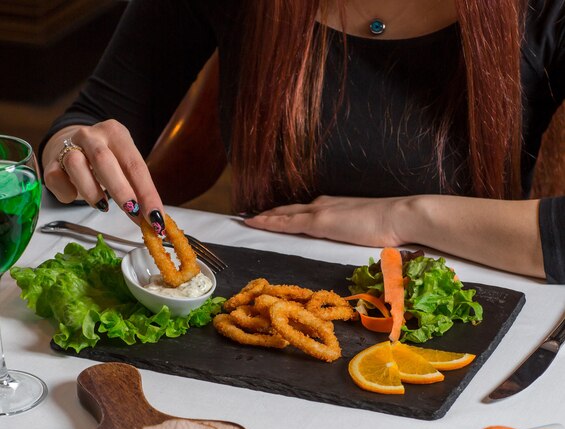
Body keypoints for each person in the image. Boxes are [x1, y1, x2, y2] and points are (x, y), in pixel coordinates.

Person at [40, 0, 565, 281]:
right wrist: (72, 149)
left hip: (472, 318)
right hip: (253, 308)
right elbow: (91, 117)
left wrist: (405, 216)